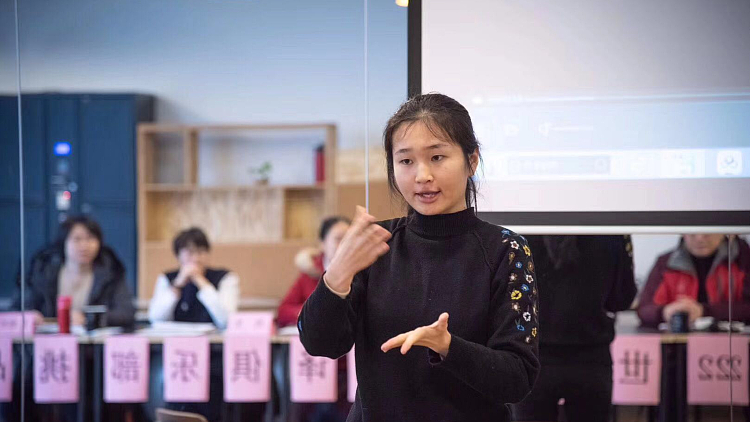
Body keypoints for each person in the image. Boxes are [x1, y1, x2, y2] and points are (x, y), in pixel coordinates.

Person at [298, 93, 539, 421]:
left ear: (472, 161)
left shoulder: (506, 250)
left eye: (437, 157)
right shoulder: (376, 243)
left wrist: (448, 346)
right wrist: (336, 275)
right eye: (406, 161)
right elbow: (321, 344)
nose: (422, 175)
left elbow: (517, 378)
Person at [511, 235, 637, 422]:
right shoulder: (610, 231)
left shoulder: (521, 232)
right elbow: (622, 298)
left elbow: (509, 299)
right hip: (592, 358)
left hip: (532, 356)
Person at [14, 215, 135, 327]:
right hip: (48, 341)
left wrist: (89, 318)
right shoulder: (43, 271)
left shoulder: (112, 272)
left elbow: (126, 313)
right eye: (76, 239)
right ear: (63, 243)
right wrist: (30, 316)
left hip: (93, 345)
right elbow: (17, 308)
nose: (84, 245)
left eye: (90, 238)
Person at [638, 234, 750, 327]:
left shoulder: (743, 260)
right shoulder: (665, 263)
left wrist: (704, 311)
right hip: (678, 344)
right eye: (693, 232)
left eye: (708, 232)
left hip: (735, 344)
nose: (700, 238)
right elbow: (644, 309)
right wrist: (665, 312)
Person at [148, 227, 238, 329]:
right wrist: (177, 285)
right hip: (174, 339)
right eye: (190, 253)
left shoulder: (225, 278)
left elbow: (226, 320)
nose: (196, 258)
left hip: (214, 341)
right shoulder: (167, 278)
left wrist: (202, 283)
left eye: (200, 252)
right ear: (178, 255)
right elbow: (155, 318)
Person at [277, 216, 351, 328]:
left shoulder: (362, 271)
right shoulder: (311, 272)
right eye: (338, 239)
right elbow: (283, 312)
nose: (344, 244)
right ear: (323, 244)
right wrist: (312, 312)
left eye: (349, 239)